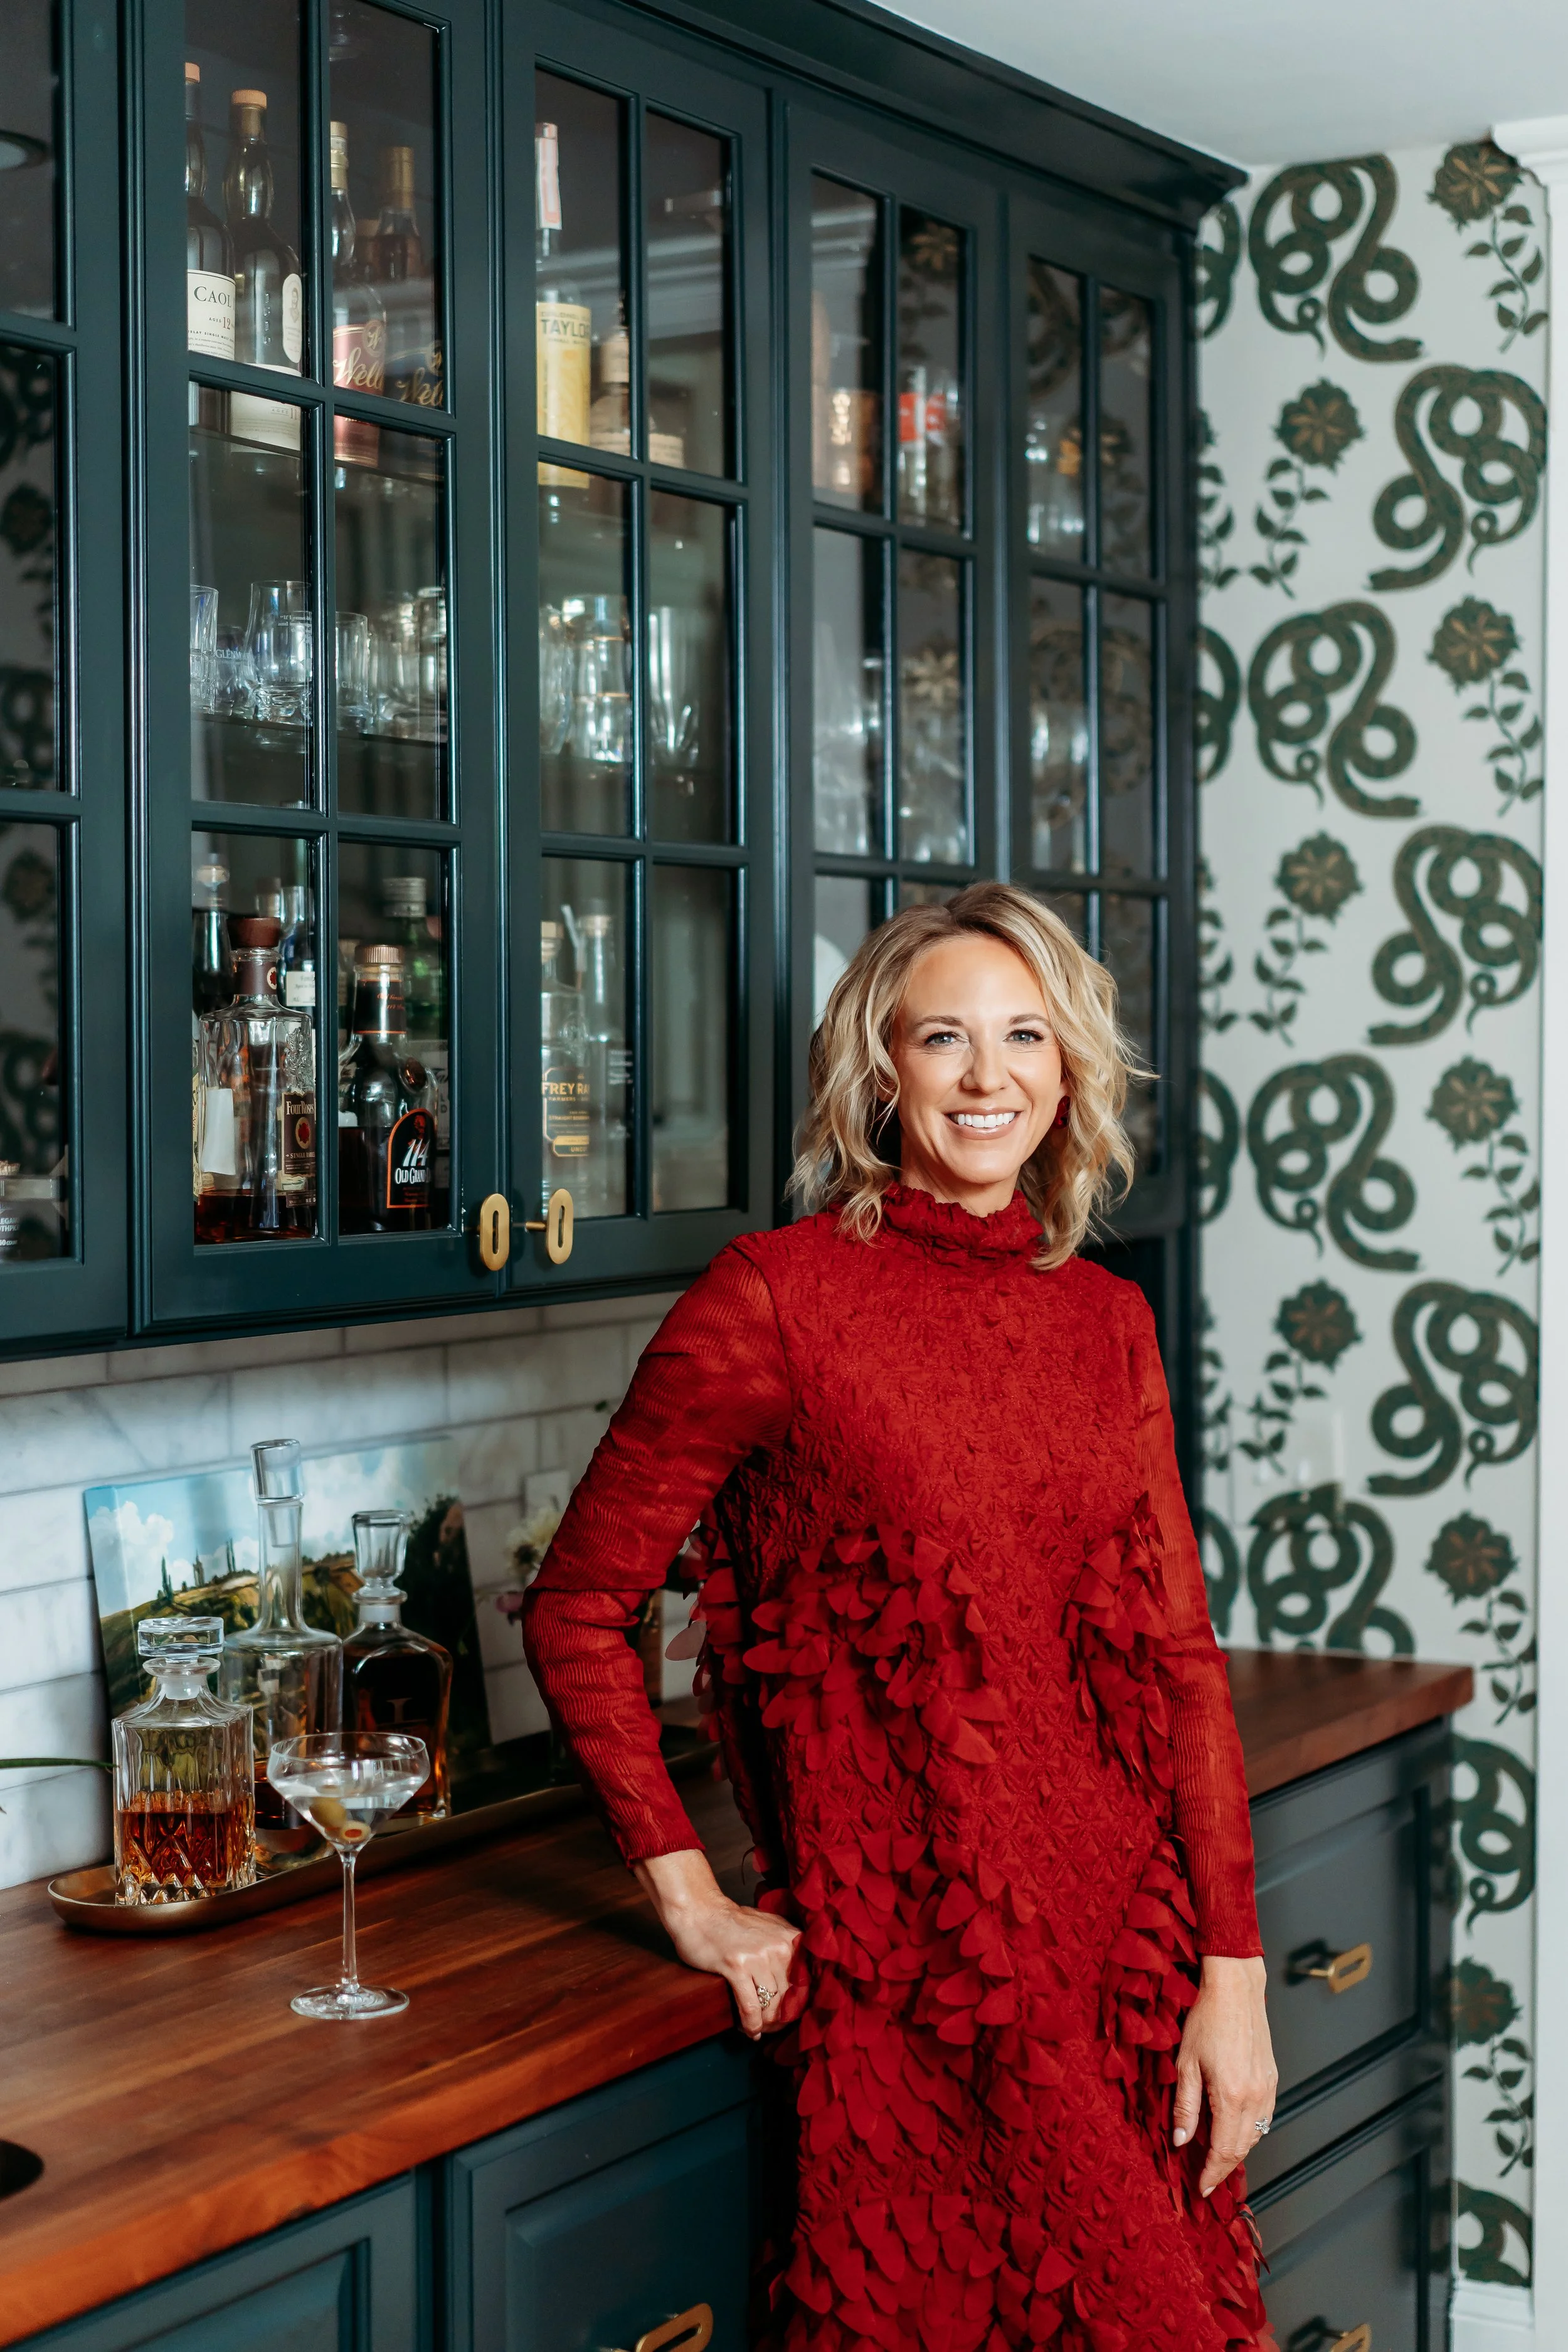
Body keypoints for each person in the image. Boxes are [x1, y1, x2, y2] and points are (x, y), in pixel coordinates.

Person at [524, 882, 1277, 2351]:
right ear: (883, 1069)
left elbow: (1179, 1663)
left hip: (1126, 1962)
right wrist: (685, 1894)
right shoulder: (774, 1301)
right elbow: (577, 1608)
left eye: (1023, 1039)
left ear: (1068, 1073)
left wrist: (1228, 1979)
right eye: (944, 1039)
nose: (987, 1078)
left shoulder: (1104, 1319)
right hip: (916, 1992)